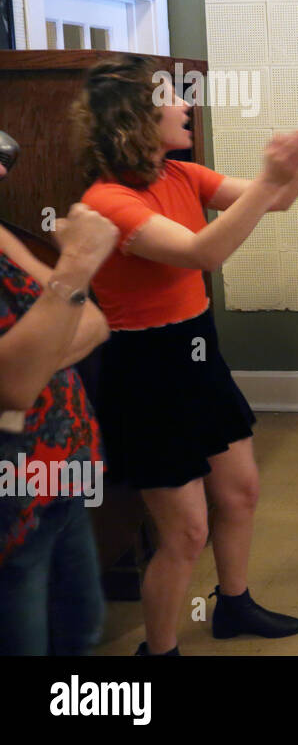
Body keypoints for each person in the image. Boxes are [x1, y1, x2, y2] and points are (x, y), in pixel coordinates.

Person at [75, 54, 298, 654]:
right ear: (136, 118)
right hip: (146, 371)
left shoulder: (178, 175)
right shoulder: (107, 201)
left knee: (240, 493)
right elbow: (203, 252)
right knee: (184, 534)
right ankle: (158, 652)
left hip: (196, 352)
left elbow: (274, 201)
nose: (185, 106)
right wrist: (269, 175)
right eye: (171, 100)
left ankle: (233, 605)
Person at [0, 193, 117, 655]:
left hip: (64, 473)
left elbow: (92, 321)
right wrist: (78, 261)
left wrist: (32, 359)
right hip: (10, 509)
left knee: (80, 634)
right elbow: (12, 387)